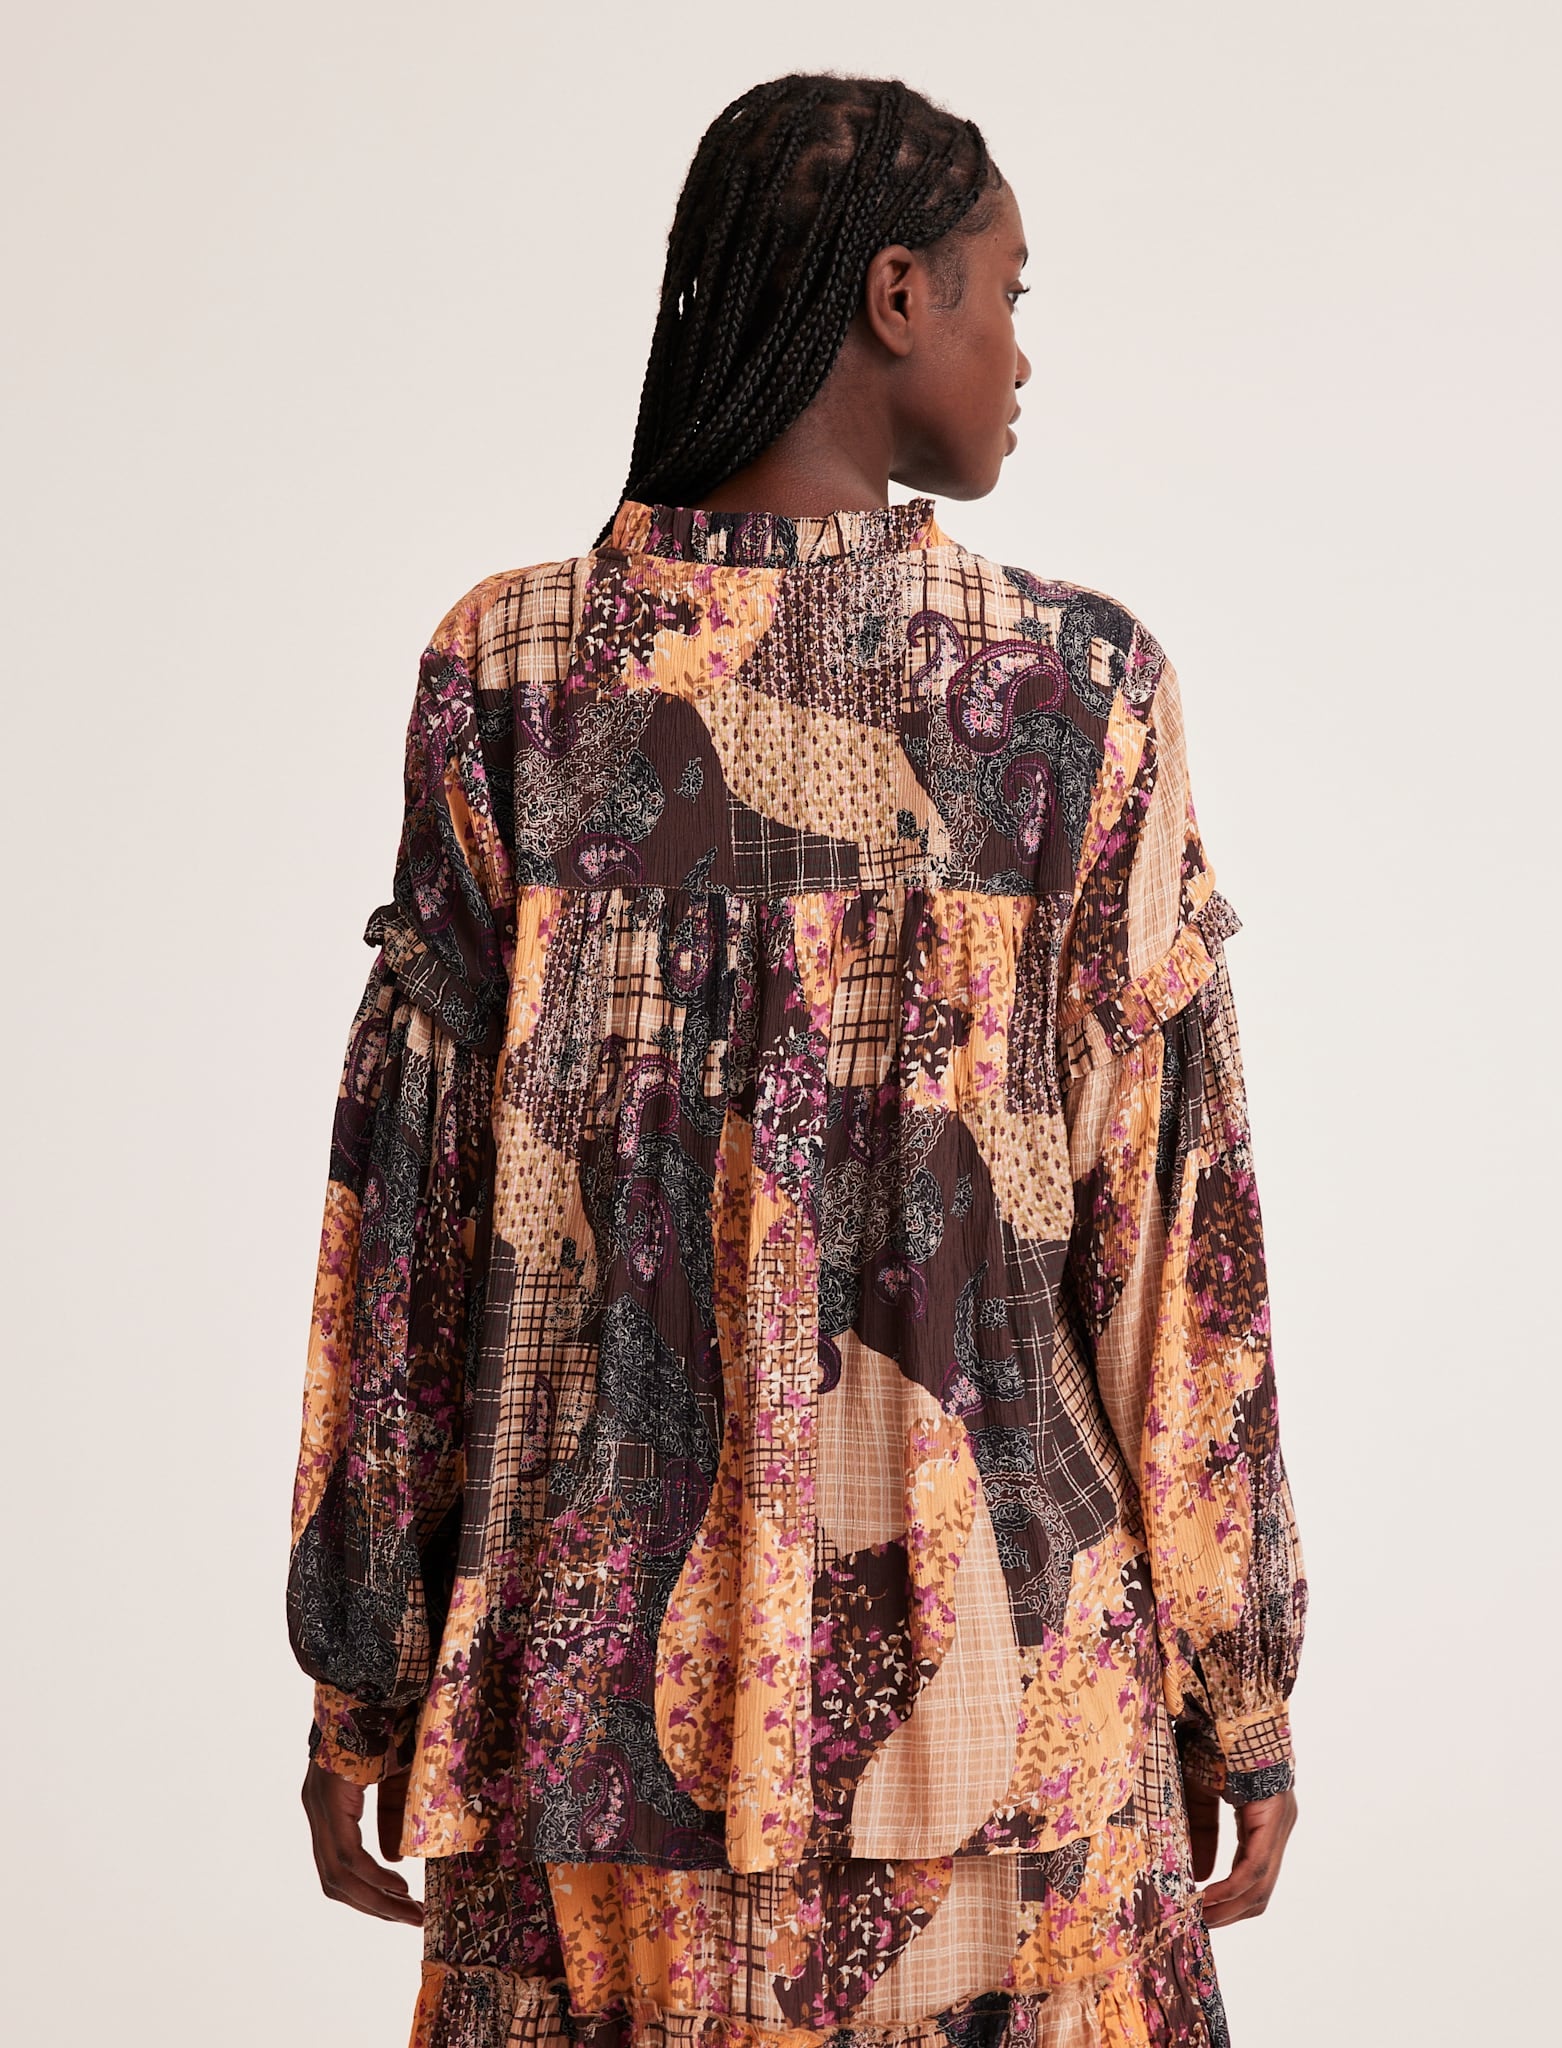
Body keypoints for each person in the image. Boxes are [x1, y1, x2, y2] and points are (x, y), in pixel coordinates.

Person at [289, 71, 1306, 2048]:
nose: (1026, 354)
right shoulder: (1070, 692)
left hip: (593, 1738)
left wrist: (367, 1668)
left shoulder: (513, 675)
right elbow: (1177, 1239)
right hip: (1014, 1721)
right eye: (1010, 292)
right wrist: (1234, 1676)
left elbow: (403, 1228)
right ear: (899, 295)